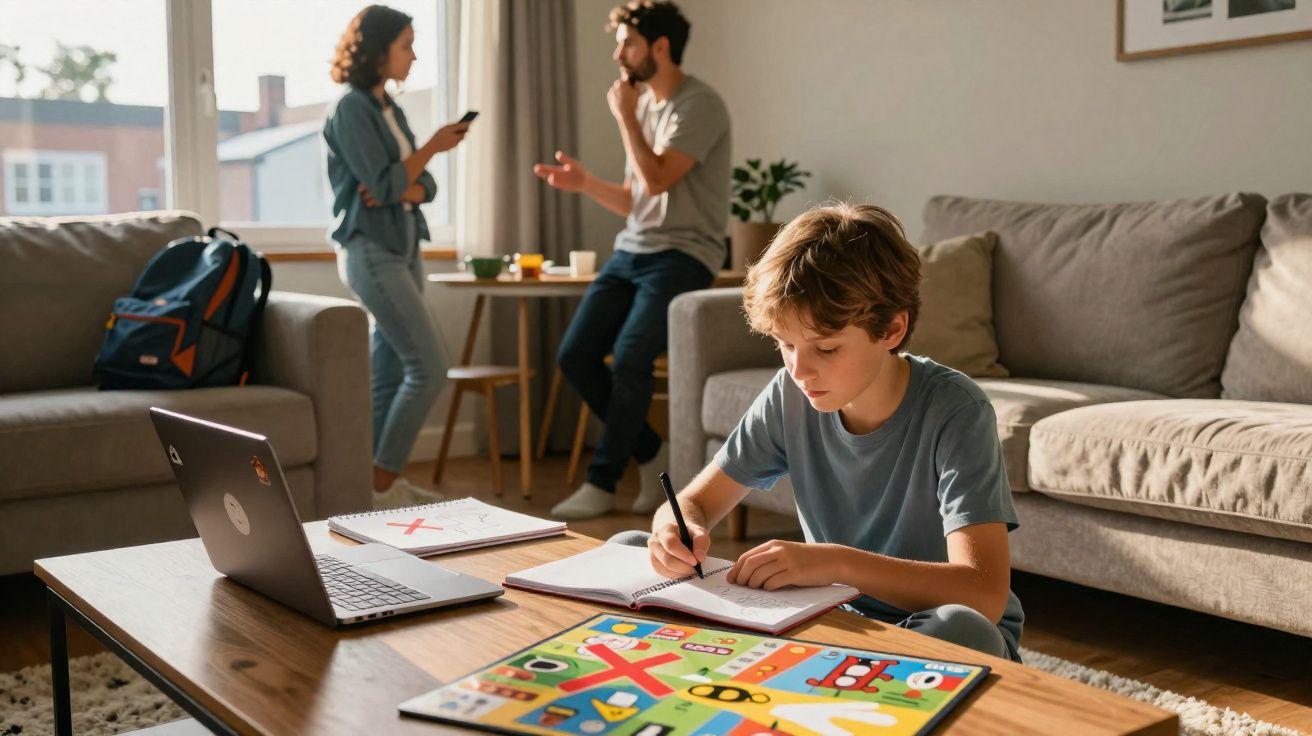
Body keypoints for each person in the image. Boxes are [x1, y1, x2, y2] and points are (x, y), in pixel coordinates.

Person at [615, 203, 1026, 661]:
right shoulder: (789, 395)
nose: (799, 370)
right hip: (835, 622)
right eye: (785, 344)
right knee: (629, 549)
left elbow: (984, 594)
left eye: (826, 348)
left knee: (961, 629)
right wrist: (674, 528)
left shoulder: (956, 410)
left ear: (892, 329)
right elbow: (694, 502)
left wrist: (834, 563)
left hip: (934, 630)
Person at [534, 0, 732, 520]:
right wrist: (585, 184)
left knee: (630, 357)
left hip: (683, 254)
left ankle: (601, 481)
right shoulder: (643, 107)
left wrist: (624, 116)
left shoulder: (700, 105)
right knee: (575, 354)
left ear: (659, 47)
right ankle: (651, 451)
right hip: (632, 250)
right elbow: (635, 199)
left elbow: (660, 178)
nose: (618, 54)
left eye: (627, 43)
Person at [324, 5, 471, 509]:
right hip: (371, 251)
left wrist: (403, 182)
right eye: (406, 45)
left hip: (404, 247)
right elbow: (387, 183)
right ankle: (384, 482)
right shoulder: (351, 109)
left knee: (388, 372)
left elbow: (421, 187)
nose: (414, 55)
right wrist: (427, 151)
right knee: (429, 367)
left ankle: (370, 490)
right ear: (377, 50)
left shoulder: (390, 107)